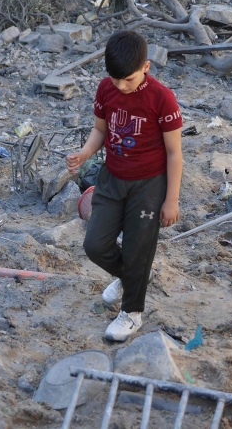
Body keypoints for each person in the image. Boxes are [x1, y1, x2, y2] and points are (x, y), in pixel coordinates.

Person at [66, 30, 183, 341]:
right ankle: (128, 276)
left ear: (146, 67)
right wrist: (85, 153)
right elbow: (99, 131)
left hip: (148, 185)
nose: (121, 86)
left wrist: (171, 200)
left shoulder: (162, 98)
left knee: (137, 250)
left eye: (128, 80)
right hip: (112, 179)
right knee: (95, 245)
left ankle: (132, 312)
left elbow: (174, 153)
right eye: (115, 79)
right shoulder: (107, 88)